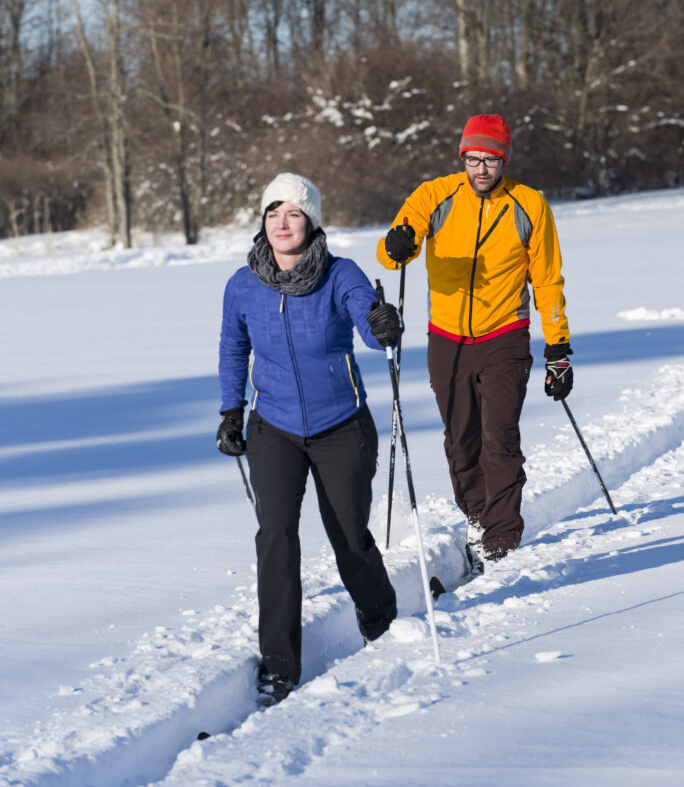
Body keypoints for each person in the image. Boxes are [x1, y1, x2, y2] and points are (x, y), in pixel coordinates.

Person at [217, 172, 402, 706]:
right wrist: (232, 410)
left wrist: (383, 324)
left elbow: (368, 323)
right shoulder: (242, 284)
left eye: (293, 214)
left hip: (340, 423)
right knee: (275, 537)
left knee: (348, 534)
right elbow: (233, 349)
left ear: (311, 221)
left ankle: (379, 616)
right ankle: (279, 665)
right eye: (273, 213)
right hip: (272, 424)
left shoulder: (340, 273)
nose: (282, 223)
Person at [377, 114, 572, 567]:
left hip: (505, 333)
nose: (482, 169)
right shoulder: (434, 195)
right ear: (462, 157)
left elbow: (547, 281)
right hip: (446, 338)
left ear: (505, 160)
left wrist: (557, 348)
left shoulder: (529, 205)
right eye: (473, 159)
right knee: (460, 438)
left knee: (498, 437)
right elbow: (391, 256)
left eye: (491, 159)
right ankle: (478, 514)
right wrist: (399, 243)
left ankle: (502, 537)